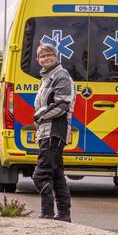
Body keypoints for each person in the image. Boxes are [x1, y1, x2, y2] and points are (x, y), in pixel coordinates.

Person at [31, 43, 73, 221]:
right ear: (37, 60)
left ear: (56, 56)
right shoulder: (48, 77)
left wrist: (39, 117)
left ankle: (47, 213)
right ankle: (63, 214)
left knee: (40, 174)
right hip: (47, 130)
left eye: (49, 55)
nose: (46, 58)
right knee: (56, 174)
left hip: (55, 129)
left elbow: (62, 105)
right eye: (42, 56)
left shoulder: (60, 76)